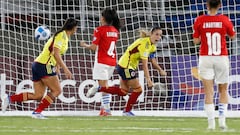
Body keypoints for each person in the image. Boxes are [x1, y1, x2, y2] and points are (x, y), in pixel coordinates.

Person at [1, 18, 79, 119]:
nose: (77, 29)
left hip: (38, 64)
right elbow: (56, 53)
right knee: (57, 90)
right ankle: (37, 112)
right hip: (45, 65)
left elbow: (56, 53)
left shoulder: (63, 36)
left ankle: (9, 98)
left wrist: (58, 66)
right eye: (76, 27)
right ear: (73, 28)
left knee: (38, 95)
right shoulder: (61, 36)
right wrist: (65, 69)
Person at [87, 27, 167, 116]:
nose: (159, 37)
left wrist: (160, 70)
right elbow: (145, 65)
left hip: (124, 66)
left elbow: (152, 60)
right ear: (151, 34)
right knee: (138, 89)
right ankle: (127, 111)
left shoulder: (152, 47)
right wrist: (148, 80)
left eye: (160, 35)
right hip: (126, 66)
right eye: (156, 34)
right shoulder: (145, 44)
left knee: (123, 92)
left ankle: (98, 89)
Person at [193, 0, 235, 130]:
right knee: (223, 90)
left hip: (205, 57)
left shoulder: (199, 20)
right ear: (220, 5)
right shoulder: (224, 19)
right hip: (221, 57)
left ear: (207, 5)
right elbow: (232, 36)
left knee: (208, 92)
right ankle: (222, 123)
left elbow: (195, 41)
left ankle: (211, 125)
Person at [80, 8, 121, 116]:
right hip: (112, 61)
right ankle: (104, 109)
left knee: (104, 87)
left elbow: (94, 47)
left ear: (103, 18)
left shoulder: (99, 30)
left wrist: (85, 45)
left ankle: (106, 110)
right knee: (105, 85)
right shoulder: (115, 31)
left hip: (102, 61)